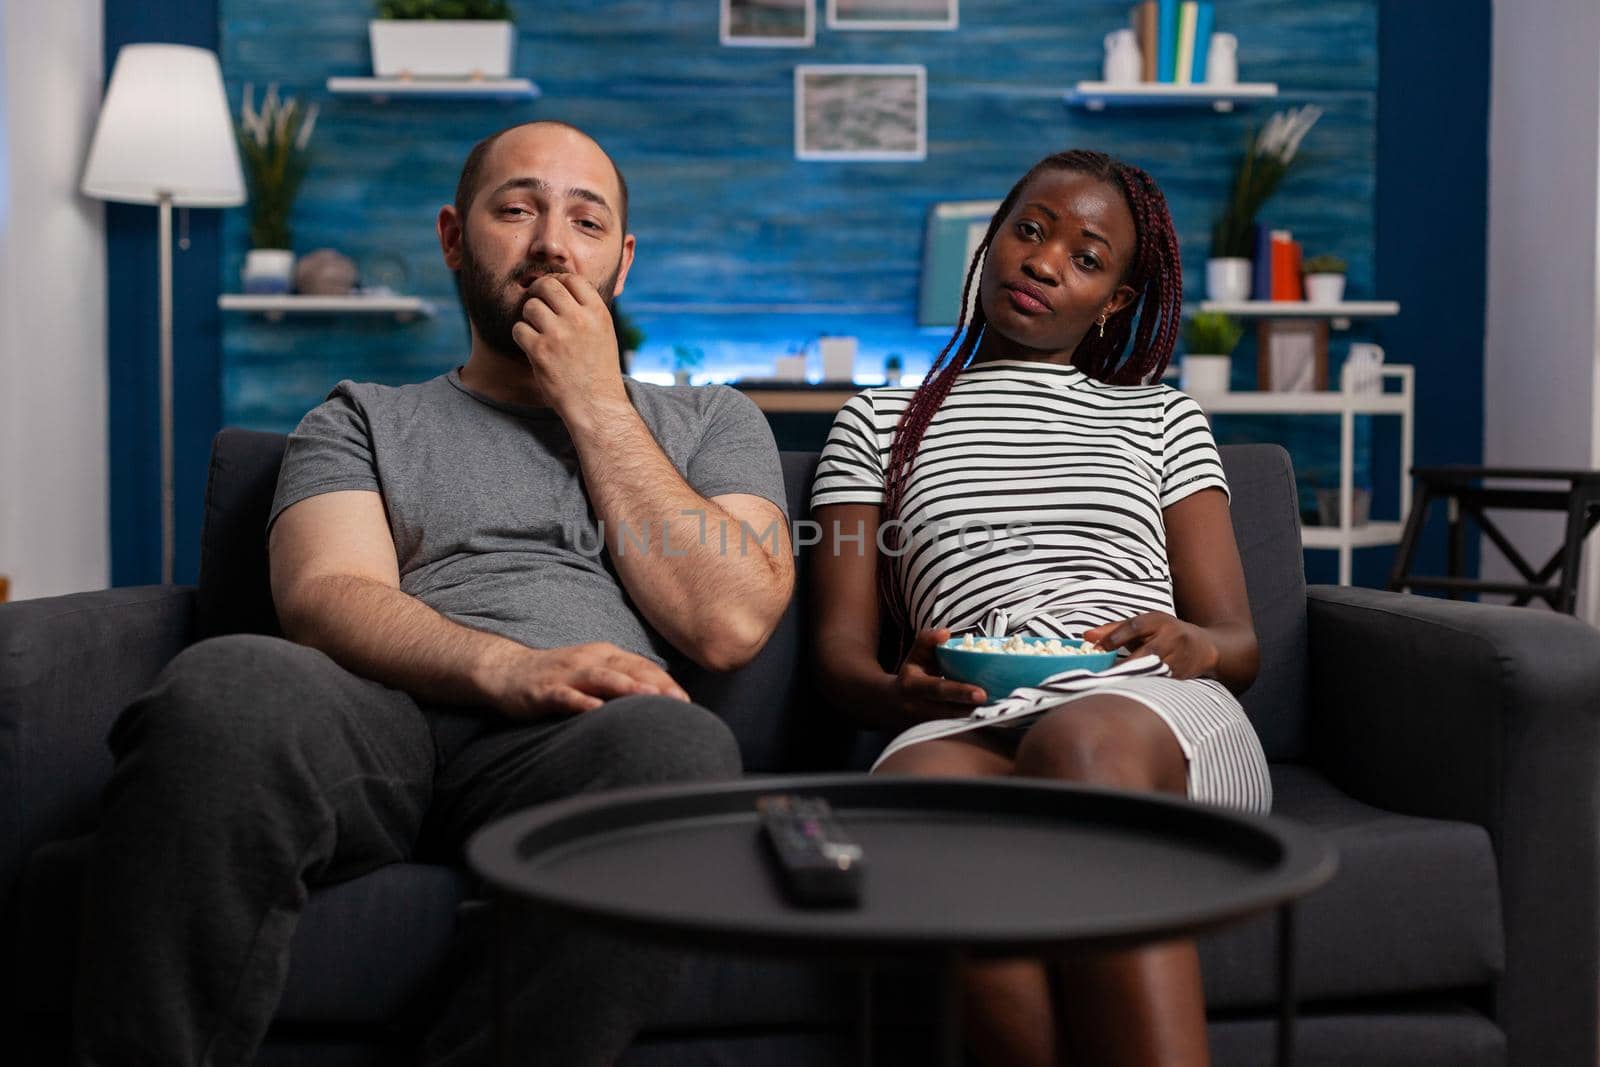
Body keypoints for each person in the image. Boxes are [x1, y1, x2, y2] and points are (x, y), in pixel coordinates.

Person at [72, 120, 795, 1066]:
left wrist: (596, 400)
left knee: (682, 746)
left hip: (582, 738)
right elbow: (325, 592)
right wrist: (505, 666)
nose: (548, 243)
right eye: (518, 208)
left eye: (585, 222)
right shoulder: (360, 415)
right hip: (382, 718)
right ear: (456, 238)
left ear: (621, 265)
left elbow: (730, 619)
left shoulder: (712, 421)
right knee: (229, 682)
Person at [809, 148, 1271, 1067]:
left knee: (1079, 743)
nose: (1045, 260)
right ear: (991, 243)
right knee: (912, 805)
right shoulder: (876, 422)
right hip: (974, 712)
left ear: (1113, 302)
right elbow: (839, 655)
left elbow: (1239, 642)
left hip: (1143, 710)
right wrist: (896, 692)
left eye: (1087, 257)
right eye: (1029, 230)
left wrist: (1190, 641)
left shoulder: (1160, 418)